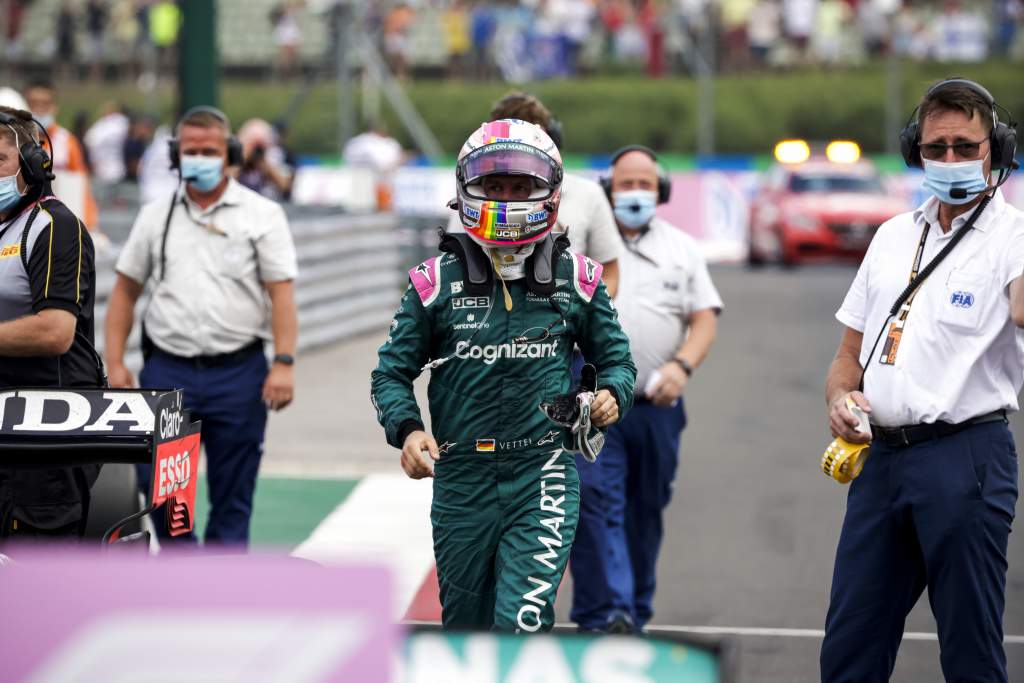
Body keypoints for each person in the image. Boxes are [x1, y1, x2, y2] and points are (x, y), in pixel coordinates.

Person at [371, 119, 636, 631]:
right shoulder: (432, 284)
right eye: (495, 187)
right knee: (466, 633)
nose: (508, 199)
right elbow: (389, 374)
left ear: (549, 193)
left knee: (520, 624)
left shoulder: (578, 279)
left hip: (543, 473)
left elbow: (619, 364)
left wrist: (611, 397)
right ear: (469, 189)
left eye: (521, 187)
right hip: (460, 480)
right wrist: (407, 431)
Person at [821, 78, 1022, 682]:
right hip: (878, 461)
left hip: (966, 458)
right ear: (916, 151)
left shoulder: (1015, 238)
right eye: (937, 148)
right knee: (849, 647)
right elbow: (847, 354)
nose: (951, 159)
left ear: (997, 151)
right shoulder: (891, 236)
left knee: (969, 651)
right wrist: (839, 397)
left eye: (967, 146)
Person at [104, 106, 299, 550]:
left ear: (228, 152)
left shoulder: (261, 214)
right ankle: (181, 581)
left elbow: (281, 295)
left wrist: (284, 363)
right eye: (190, 150)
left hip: (240, 373)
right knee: (166, 496)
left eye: (209, 150)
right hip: (169, 374)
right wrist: (115, 362)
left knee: (234, 494)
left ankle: (222, 592)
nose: (200, 158)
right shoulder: (156, 215)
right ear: (175, 156)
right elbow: (124, 291)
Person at [569, 145, 722, 633]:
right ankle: (604, 612)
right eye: (626, 183)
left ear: (662, 191)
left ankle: (634, 611)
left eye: (645, 184)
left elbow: (703, 320)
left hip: (657, 407)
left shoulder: (682, 249)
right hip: (595, 405)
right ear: (607, 189)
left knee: (645, 509)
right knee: (594, 502)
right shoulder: (584, 249)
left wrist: (682, 366)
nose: (635, 192)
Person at [0, 106, 100, 544]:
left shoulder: (56, 226)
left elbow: (56, 331)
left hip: (45, 439)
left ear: (33, 164)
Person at [449, 91, 624, 296]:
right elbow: (455, 266)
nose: (516, 151)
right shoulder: (472, 198)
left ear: (551, 139)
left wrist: (580, 315)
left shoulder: (589, 194)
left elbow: (609, 272)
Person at [24, 80, 100, 233]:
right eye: (34, 103)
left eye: (45, 103)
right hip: (23, 220)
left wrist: (90, 224)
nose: (39, 109)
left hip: (60, 223)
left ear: (54, 107)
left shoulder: (67, 141)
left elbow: (81, 185)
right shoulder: (14, 140)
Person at [236, 118, 293, 202]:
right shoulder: (234, 159)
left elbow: (285, 188)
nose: (255, 151)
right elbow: (226, 182)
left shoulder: (272, 157)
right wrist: (241, 160)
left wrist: (265, 165)